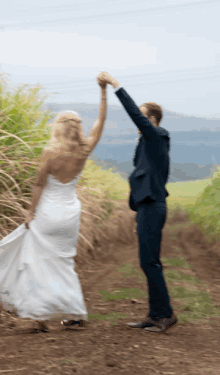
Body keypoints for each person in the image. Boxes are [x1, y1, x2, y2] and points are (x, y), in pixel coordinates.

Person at [0, 76, 108, 331]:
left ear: (58, 128)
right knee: (65, 262)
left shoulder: (50, 153)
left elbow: (38, 185)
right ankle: (75, 312)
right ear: (78, 129)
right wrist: (103, 92)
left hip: (48, 214)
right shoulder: (84, 150)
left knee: (38, 263)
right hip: (70, 214)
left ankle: (38, 314)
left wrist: (29, 213)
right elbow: (101, 122)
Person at [97, 71, 178, 333]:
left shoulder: (156, 137)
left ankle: (164, 314)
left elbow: (134, 113)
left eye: (143, 117)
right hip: (147, 207)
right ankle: (155, 314)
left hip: (153, 206)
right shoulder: (147, 144)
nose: (137, 121)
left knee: (150, 262)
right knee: (147, 261)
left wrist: (115, 85)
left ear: (151, 119)